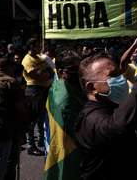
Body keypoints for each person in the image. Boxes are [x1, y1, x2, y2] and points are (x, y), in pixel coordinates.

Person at [75, 43, 137, 180]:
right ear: (92, 87)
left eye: (119, 73)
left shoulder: (111, 106)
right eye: (112, 75)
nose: (120, 78)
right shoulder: (90, 118)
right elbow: (118, 126)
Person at [44, 50, 85, 180]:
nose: (79, 73)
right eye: (73, 70)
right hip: (69, 152)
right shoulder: (65, 101)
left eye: (81, 68)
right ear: (61, 72)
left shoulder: (59, 85)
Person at [21, 38, 54, 156]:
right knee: (33, 119)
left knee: (41, 117)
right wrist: (47, 72)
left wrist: (47, 72)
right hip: (34, 91)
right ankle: (31, 145)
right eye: (38, 45)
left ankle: (41, 141)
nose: (40, 47)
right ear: (31, 46)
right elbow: (40, 76)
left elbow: (51, 71)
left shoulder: (40, 57)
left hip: (44, 90)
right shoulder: (27, 60)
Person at [0, 58, 26, 179]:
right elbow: (21, 109)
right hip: (6, 128)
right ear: (9, 68)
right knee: (6, 161)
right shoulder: (11, 83)